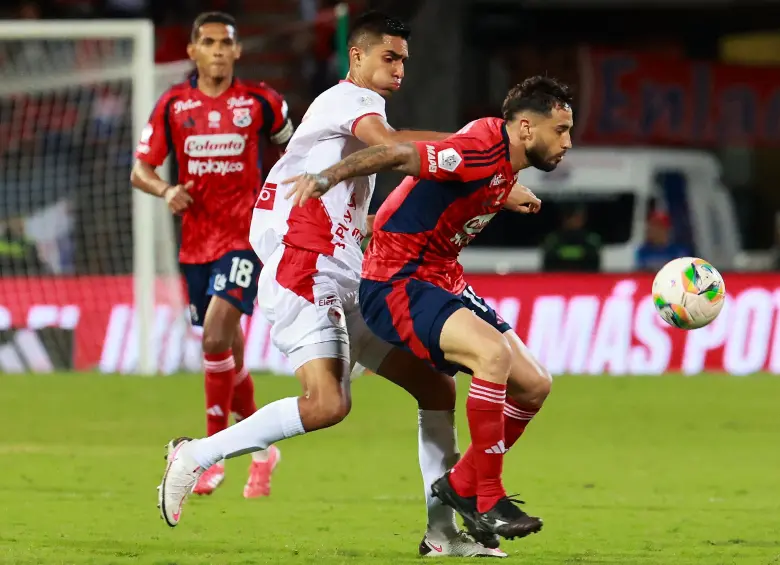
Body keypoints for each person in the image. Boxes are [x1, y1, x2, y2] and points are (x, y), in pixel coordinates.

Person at [157, 11, 505, 558]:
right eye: (389, 58)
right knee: (326, 404)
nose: (399, 70)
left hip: (345, 272)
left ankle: (442, 535)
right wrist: (481, 153)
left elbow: (370, 194)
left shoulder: (354, 123)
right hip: (306, 265)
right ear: (357, 57)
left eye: (404, 61)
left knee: (436, 388)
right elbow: (394, 147)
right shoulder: (350, 101)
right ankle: (195, 455)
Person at [283, 76, 572, 542]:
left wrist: (378, 223)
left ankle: (459, 486)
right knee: (492, 356)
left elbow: (419, 193)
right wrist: (327, 177)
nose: (568, 142)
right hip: (397, 281)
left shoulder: (503, 164)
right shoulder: (479, 148)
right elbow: (402, 157)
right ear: (524, 129)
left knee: (535, 385)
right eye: (559, 130)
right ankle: (487, 498)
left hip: (442, 277)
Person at [131, 12, 293, 498]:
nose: (218, 50)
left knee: (217, 333)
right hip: (195, 244)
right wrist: (165, 191)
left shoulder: (261, 102)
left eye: (226, 42)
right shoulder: (173, 105)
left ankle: (210, 454)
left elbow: (297, 150)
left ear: (238, 51)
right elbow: (141, 169)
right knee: (226, 351)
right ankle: (264, 450)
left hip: (243, 237)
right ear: (193, 51)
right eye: (209, 42)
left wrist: (279, 196)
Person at [542, 204, 601, 272]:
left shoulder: (591, 239)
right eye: (575, 217)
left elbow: (594, 264)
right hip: (559, 278)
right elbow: (548, 263)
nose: (578, 221)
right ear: (565, 219)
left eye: (580, 217)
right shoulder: (553, 240)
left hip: (584, 278)